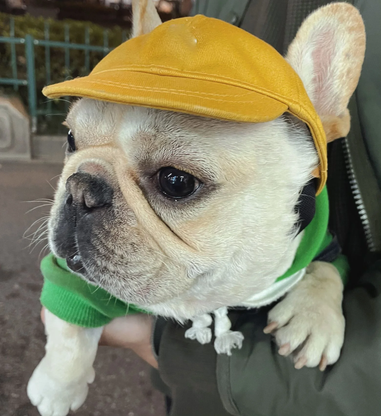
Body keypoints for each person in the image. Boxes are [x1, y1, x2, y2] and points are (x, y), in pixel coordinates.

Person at [41, 0, 381, 414]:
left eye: (175, 181)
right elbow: (65, 295)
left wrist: (322, 287)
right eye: (75, 141)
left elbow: (322, 257)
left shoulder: (305, 217)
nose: (82, 195)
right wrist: (65, 369)